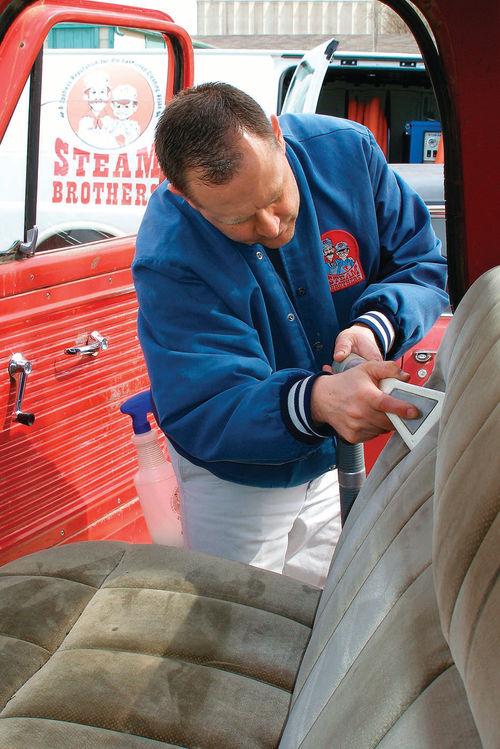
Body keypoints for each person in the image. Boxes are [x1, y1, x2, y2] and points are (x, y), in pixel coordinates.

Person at [132, 82, 448, 587]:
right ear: (185, 199)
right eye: (237, 219)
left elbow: (419, 260)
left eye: (276, 195)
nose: (272, 224)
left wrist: (375, 326)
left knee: (323, 607)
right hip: (233, 481)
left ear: (277, 136)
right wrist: (318, 401)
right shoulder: (169, 256)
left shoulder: (349, 153)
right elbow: (206, 403)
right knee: (238, 623)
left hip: (327, 459)